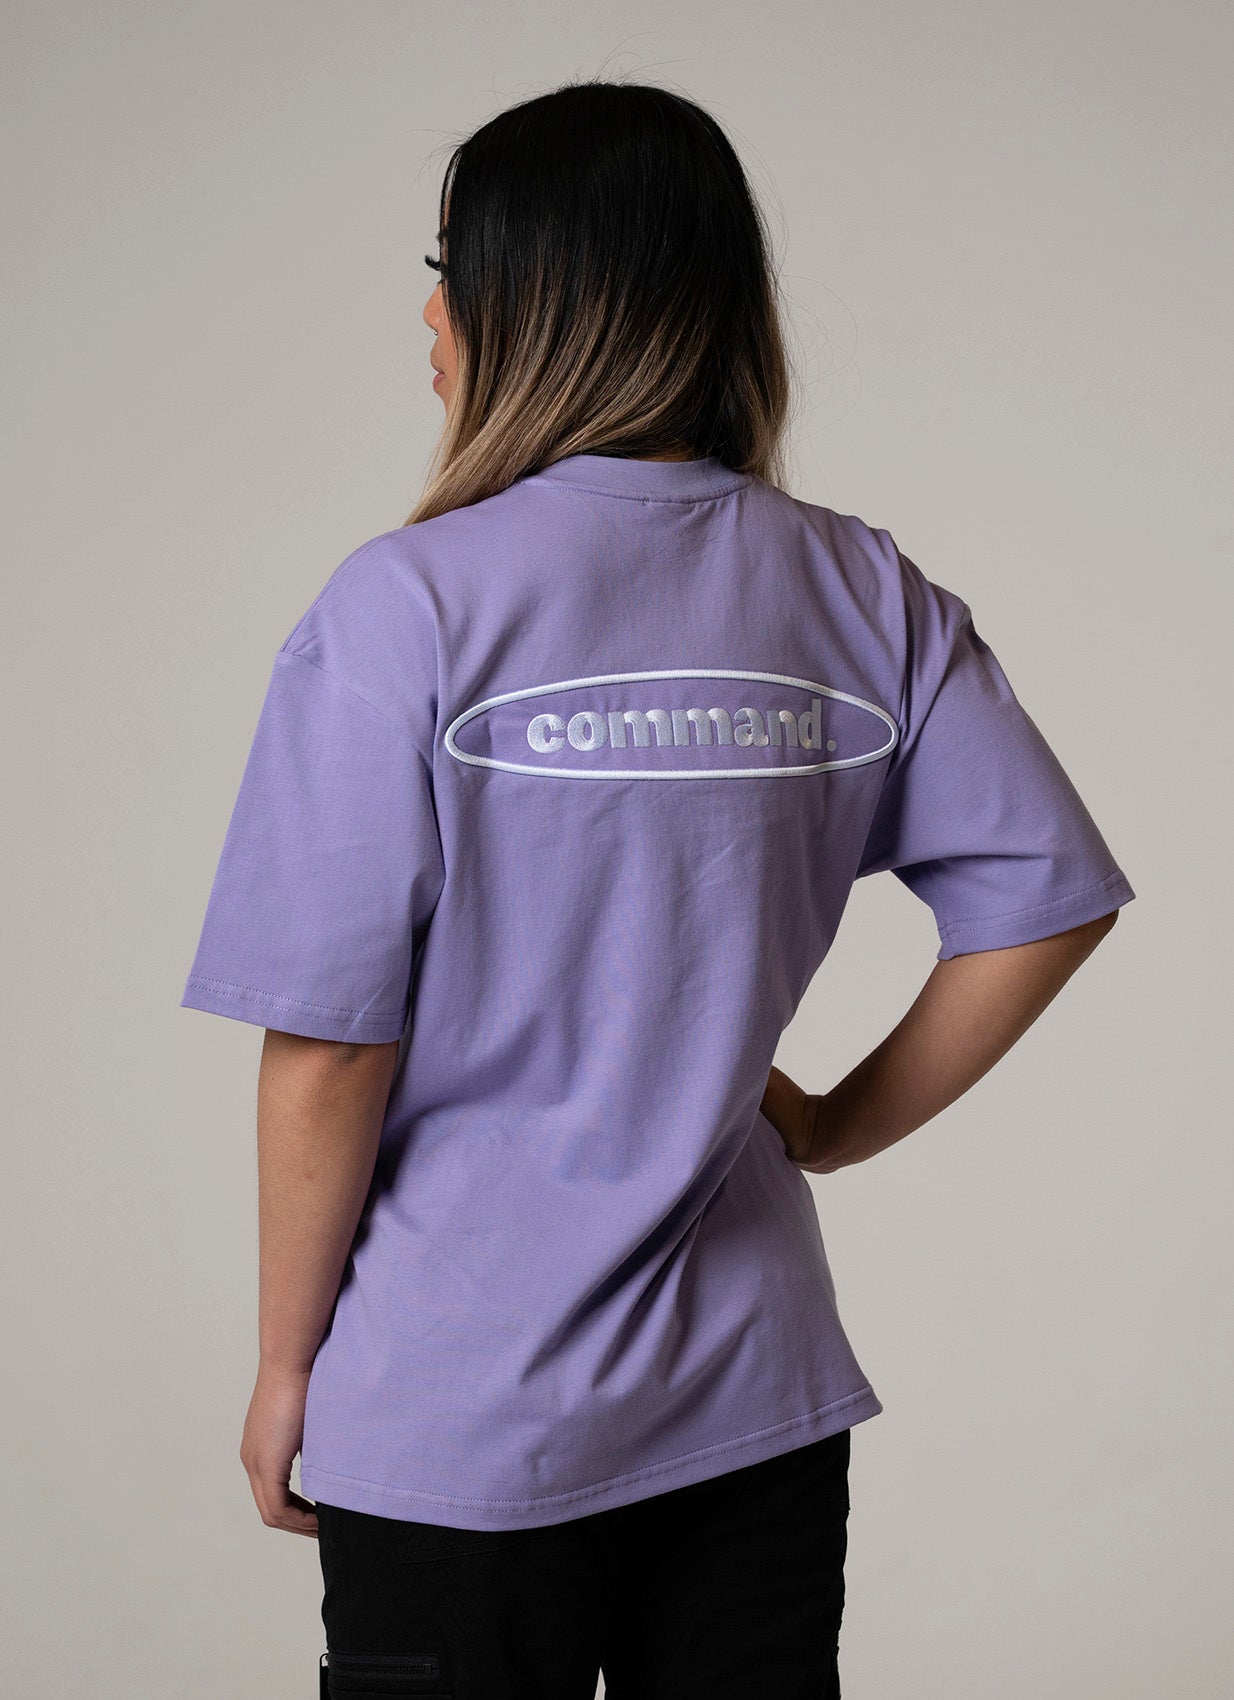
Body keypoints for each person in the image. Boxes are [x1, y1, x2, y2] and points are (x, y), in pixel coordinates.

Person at [179, 78, 1136, 1700]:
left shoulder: (404, 607)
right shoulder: (858, 589)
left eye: (447, 267)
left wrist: (286, 1368)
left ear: (530, 296)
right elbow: (1046, 900)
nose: (429, 312)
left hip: (457, 1415)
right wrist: (826, 1125)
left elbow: (332, 1042)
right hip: (750, 1402)